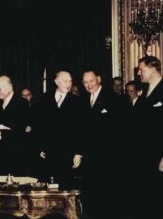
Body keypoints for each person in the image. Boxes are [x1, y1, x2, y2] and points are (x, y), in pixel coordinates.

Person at [81, 70, 126, 218]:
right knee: (94, 199)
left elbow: (121, 131)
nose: (88, 85)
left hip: (109, 159)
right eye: (85, 83)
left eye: (91, 81)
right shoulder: (84, 100)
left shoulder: (113, 99)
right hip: (91, 159)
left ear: (99, 79)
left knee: (108, 200)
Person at [35, 71, 83, 187]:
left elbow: (80, 130)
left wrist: (78, 153)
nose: (69, 84)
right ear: (56, 82)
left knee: (66, 188)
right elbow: (38, 125)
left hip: (67, 154)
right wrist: (39, 147)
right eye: (65, 81)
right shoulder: (44, 99)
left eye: (70, 81)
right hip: (47, 153)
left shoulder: (77, 102)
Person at [134, 56, 163, 219]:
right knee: (146, 201)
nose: (139, 73)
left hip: (158, 156)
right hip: (143, 157)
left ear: (153, 68)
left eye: (141, 69)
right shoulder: (144, 92)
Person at [0, 75, 29, 175]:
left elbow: (21, 130)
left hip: (15, 157)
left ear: (9, 88)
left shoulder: (22, 103)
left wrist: (0, 134)